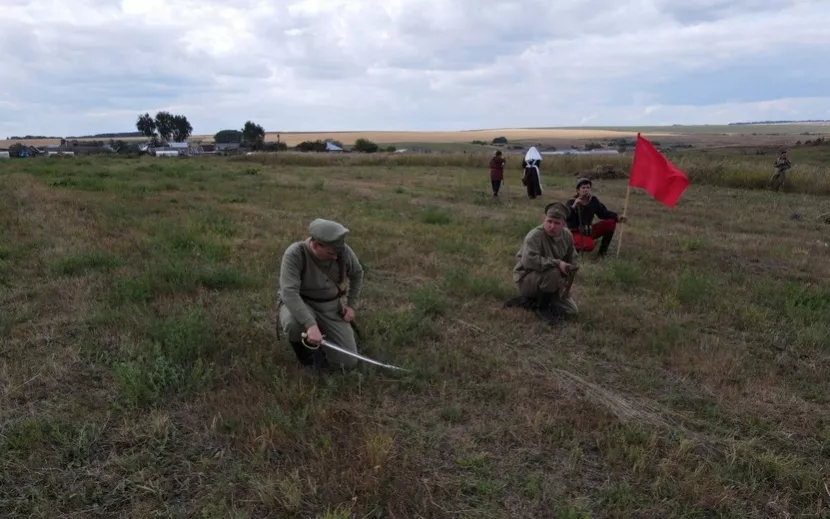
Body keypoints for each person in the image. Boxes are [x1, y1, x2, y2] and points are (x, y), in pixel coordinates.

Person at [276, 218, 364, 370]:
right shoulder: (295, 254)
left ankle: (321, 335)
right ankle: (306, 356)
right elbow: (289, 293)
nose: (336, 257)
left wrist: (351, 306)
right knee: (294, 324)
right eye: (331, 253)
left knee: (348, 363)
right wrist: (310, 324)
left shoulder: (342, 251)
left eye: (338, 252)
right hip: (301, 303)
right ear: (316, 245)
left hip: (331, 307)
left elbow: (357, 274)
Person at [505, 201, 579, 323]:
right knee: (554, 271)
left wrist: (568, 278)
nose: (552, 226)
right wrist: (557, 263)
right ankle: (542, 308)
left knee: (571, 311)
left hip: (552, 281)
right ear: (544, 219)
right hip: (527, 279)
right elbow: (529, 262)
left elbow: (573, 259)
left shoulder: (567, 236)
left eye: (557, 223)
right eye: (549, 221)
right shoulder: (534, 236)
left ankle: (528, 301)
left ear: (564, 224)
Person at [566, 177, 627, 258]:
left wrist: (617, 217)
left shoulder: (593, 201)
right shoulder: (571, 202)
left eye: (588, 187)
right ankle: (571, 248)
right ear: (578, 190)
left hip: (588, 231)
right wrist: (574, 206)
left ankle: (602, 254)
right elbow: (566, 216)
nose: (586, 190)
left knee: (610, 223)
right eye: (583, 188)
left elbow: (603, 213)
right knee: (590, 246)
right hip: (575, 233)